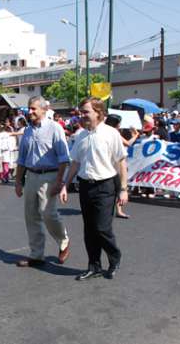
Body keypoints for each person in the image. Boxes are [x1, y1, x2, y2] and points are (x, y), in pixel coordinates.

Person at [61, 97, 127, 281]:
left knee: (102, 227)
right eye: (81, 112)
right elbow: (75, 163)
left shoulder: (111, 134)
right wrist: (65, 186)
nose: (82, 116)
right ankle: (94, 266)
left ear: (98, 113)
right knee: (89, 229)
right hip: (85, 186)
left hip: (105, 185)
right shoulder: (80, 135)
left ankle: (115, 257)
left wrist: (123, 189)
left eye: (86, 112)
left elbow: (121, 163)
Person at [14, 96, 71, 268]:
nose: (29, 112)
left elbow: (63, 159)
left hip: (50, 176)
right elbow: (22, 159)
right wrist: (18, 181)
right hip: (31, 176)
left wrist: (60, 182)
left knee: (48, 214)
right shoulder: (28, 131)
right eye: (29, 109)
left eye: (33, 109)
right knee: (31, 216)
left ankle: (63, 241)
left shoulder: (55, 129)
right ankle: (36, 255)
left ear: (43, 110)